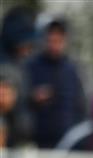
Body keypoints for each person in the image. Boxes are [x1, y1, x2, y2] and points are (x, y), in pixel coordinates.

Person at [24, 16, 86, 148]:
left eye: (58, 40)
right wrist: (33, 98)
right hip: (37, 142)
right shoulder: (30, 67)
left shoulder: (73, 69)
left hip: (68, 143)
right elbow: (20, 102)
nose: (55, 44)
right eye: (51, 40)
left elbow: (82, 106)